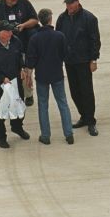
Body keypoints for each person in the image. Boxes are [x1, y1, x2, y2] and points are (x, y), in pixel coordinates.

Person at [25, 9, 74, 145]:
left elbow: (30, 60)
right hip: (57, 74)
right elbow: (66, 55)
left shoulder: (35, 38)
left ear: (40, 20)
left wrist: (29, 77)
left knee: (43, 105)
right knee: (63, 103)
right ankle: (69, 134)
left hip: (41, 76)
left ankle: (45, 136)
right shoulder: (59, 36)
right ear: (50, 19)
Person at [56, 0, 101, 136]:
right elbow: (58, 38)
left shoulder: (89, 18)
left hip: (83, 61)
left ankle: (91, 121)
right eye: (67, 3)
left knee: (86, 91)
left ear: (77, 2)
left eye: (71, 3)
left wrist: (93, 59)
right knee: (74, 91)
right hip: (69, 61)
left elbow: (95, 40)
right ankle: (84, 116)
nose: (69, 6)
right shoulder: (62, 19)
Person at [0, 21, 30, 149]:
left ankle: (17, 127)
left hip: (16, 83)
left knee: (19, 108)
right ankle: (1, 137)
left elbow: (20, 56)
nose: (10, 33)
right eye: (7, 31)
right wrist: (2, 79)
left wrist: (23, 68)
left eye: (11, 31)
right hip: (0, 87)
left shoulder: (15, 41)